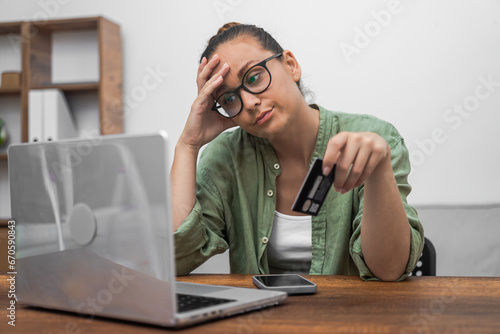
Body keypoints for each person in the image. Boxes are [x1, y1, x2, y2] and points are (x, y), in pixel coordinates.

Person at [171, 22, 424, 281]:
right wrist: (187, 146)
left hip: (351, 318)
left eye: (254, 77)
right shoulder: (226, 157)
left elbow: (389, 270)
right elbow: (175, 259)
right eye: (229, 99)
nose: (249, 103)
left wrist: (378, 170)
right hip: (261, 320)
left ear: (291, 65)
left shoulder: (374, 140)